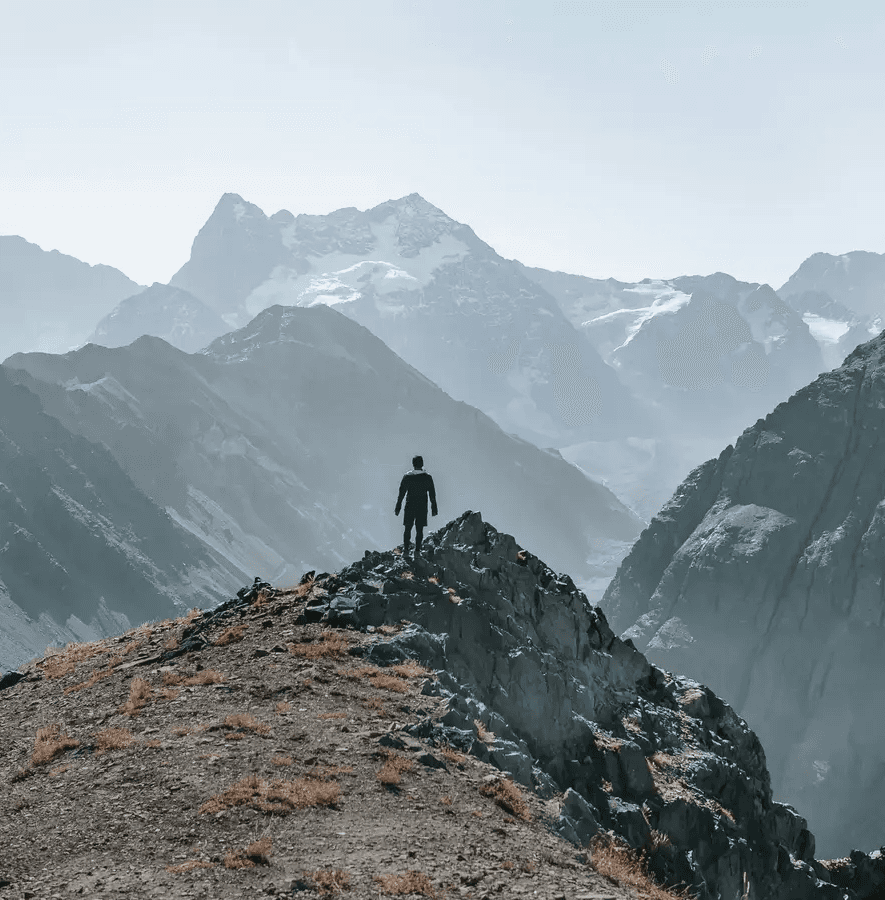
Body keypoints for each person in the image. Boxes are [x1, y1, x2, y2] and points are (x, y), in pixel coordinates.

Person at [394, 455, 438, 556]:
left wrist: (398, 506)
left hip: (410, 506)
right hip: (422, 507)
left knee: (407, 528)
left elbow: (401, 493)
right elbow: (432, 494)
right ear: (422, 464)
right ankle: (417, 552)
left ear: (413, 464)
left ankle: (406, 551)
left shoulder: (407, 477)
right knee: (419, 529)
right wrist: (434, 507)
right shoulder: (427, 477)